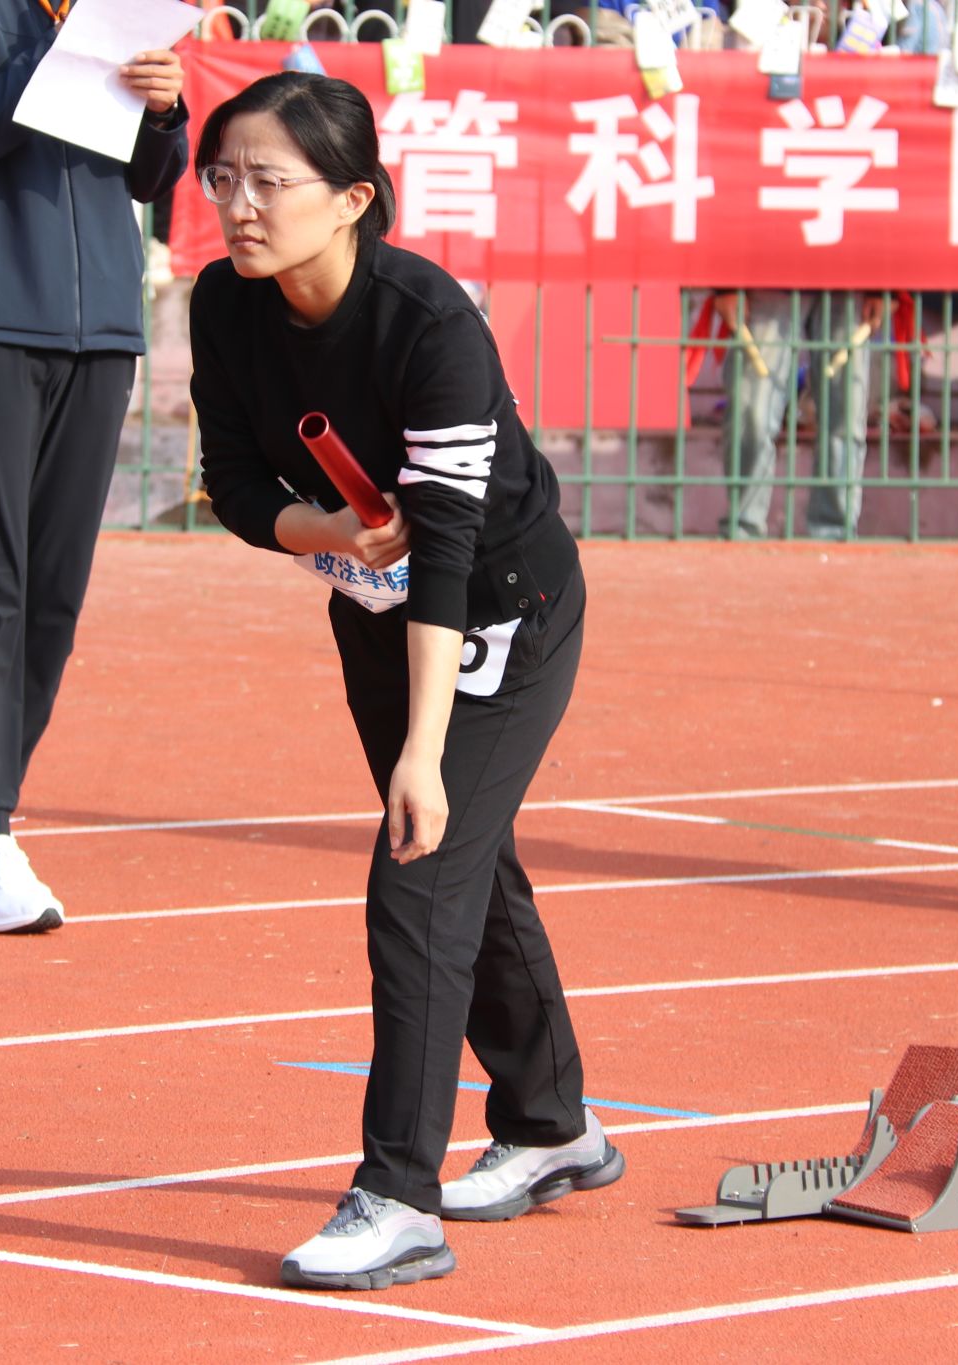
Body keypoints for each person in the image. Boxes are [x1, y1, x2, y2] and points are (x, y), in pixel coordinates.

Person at [187, 71, 623, 1290]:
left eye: (268, 181)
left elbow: (447, 551)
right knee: (472, 872)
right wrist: (323, 531)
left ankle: (396, 1197)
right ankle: (550, 1125)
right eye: (222, 177)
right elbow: (233, 483)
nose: (238, 205)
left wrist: (422, 755)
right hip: (376, 615)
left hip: (502, 611)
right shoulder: (224, 303)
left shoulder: (428, 324)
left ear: (352, 198)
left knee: (418, 875)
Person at [0, 0, 189, 933]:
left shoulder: (102, 9)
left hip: (101, 326)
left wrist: (163, 110)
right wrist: (63, 54)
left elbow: (150, 179)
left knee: (54, 593)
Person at [712, 288, 879, 539]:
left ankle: (835, 533)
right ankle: (742, 529)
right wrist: (724, 287)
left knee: (846, 413)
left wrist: (890, 290)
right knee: (751, 411)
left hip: (850, 281)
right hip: (768, 278)